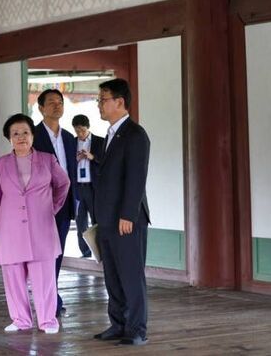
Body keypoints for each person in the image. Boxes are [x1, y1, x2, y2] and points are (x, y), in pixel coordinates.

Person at [0, 113, 70, 334]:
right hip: (10, 228)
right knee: (13, 276)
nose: (21, 137)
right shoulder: (0, 164)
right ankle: (20, 320)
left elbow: (64, 184)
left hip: (42, 228)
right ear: (9, 138)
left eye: (25, 132)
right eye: (16, 133)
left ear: (32, 135)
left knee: (44, 278)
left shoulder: (48, 160)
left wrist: (51, 208)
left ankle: (48, 321)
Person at [93, 78, 151, 346]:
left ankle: (137, 329)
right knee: (113, 276)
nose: (99, 105)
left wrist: (128, 214)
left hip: (126, 219)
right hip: (107, 218)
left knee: (131, 275)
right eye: (99, 100)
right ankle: (118, 324)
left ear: (120, 102)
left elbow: (136, 178)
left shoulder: (135, 134)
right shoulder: (110, 134)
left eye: (103, 100)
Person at [32, 89, 77, 316]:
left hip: (64, 203)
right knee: (42, 254)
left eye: (60, 102)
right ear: (41, 108)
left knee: (57, 253)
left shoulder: (69, 138)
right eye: (51, 102)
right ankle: (47, 298)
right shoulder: (32, 135)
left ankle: (52, 298)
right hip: (39, 204)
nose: (57, 106)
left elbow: (72, 172)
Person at [71, 114, 105, 258]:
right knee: (80, 222)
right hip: (78, 188)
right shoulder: (71, 143)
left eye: (82, 130)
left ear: (88, 127)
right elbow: (66, 164)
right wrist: (76, 160)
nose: (80, 133)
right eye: (77, 130)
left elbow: (107, 162)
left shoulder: (100, 141)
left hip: (93, 187)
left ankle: (101, 252)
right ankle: (85, 253)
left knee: (97, 220)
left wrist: (93, 157)